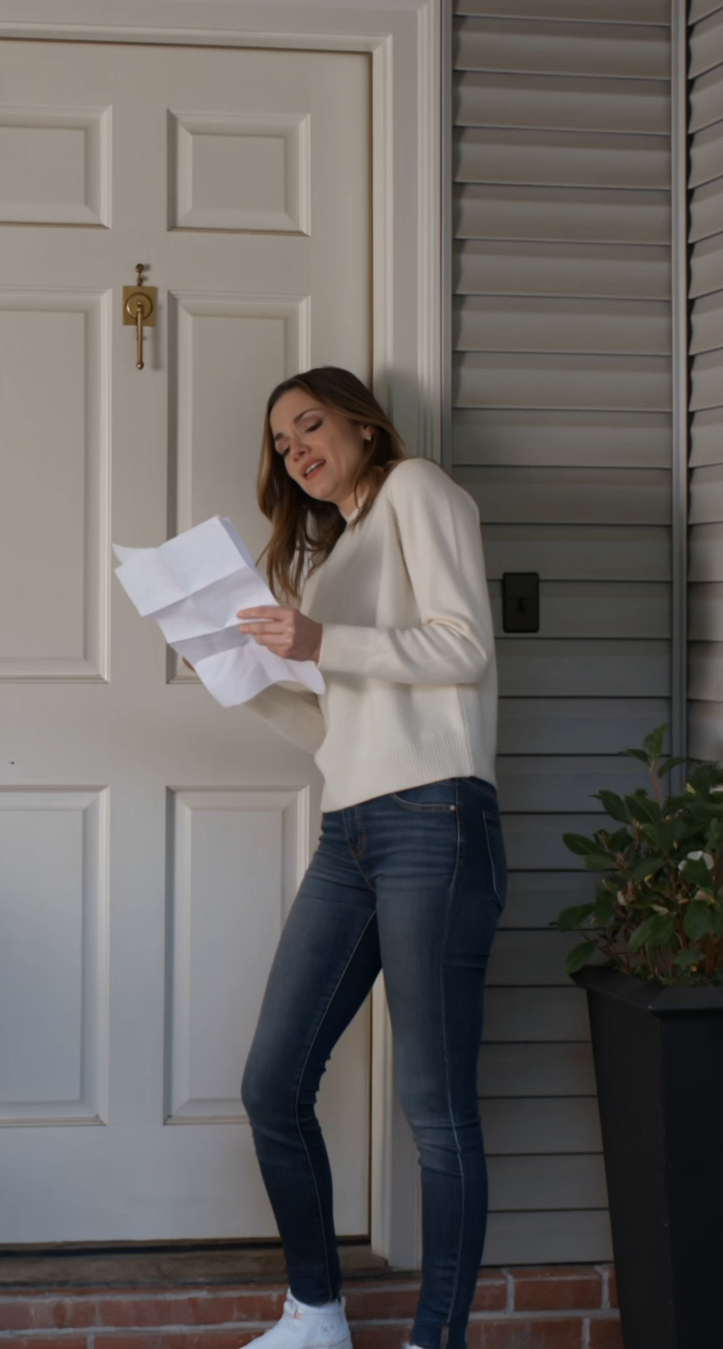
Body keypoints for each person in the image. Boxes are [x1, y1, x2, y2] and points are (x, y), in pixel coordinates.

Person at [232, 367, 506, 1349]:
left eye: (309, 424)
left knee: (435, 1108)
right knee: (272, 1085)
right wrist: (244, 678)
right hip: (348, 828)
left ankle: (437, 1339)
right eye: (280, 442)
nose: (296, 449)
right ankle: (316, 1316)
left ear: (361, 423)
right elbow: (336, 729)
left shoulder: (418, 490)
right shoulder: (332, 562)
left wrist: (320, 641)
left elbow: (463, 647)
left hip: (435, 816)